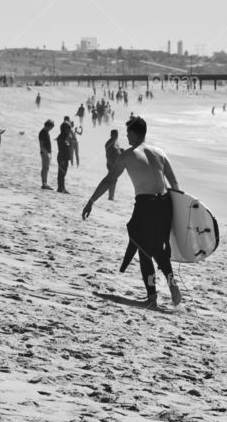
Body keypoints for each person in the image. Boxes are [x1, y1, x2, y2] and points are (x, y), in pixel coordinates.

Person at [82, 116, 182, 307]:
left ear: (135, 133)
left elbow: (109, 180)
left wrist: (91, 200)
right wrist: (177, 214)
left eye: (128, 132)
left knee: (145, 249)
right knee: (153, 249)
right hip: (165, 204)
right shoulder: (160, 153)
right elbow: (175, 185)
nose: (126, 135)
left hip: (146, 205)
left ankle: (163, 292)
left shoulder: (128, 155)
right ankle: (163, 292)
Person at [104, 129, 122, 201]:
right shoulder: (109, 143)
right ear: (112, 135)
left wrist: (121, 151)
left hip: (115, 163)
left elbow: (117, 150)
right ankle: (110, 196)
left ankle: (111, 196)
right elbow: (108, 154)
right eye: (116, 135)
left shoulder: (115, 142)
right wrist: (111, 163)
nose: (117, 136)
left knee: (114, 179)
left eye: (117, 135)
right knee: (112, 179)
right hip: (111, 163)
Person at [56, 121, 72, 193]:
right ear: (64, 129)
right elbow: (61, 149)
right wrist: (62, 159)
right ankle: (61, 188)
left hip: (64, 157)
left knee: (62, 173)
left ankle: (61, 187)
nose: (69, 130)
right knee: (61, 173)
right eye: (68, 128)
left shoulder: (64, 136)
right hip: (62, 157)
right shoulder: (62, 137)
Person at [38, 120, 54, 189]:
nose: (51, 129)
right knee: (45, 167)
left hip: (46, 152)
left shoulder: (45, 132)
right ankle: (44, 183)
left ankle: (44, 183)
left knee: (45, 168)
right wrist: (46, 153)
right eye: (51, 127)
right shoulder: (43, 133)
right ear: (48, 126)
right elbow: (41, 145)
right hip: (45, 152)